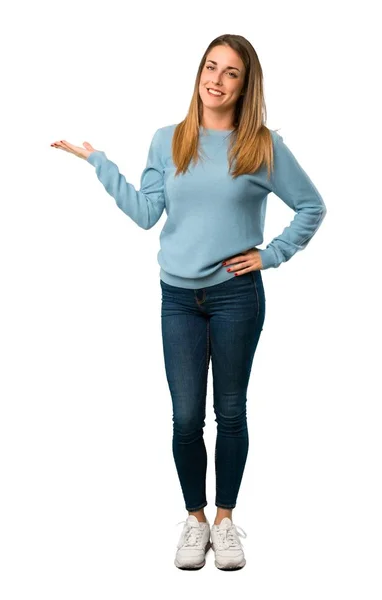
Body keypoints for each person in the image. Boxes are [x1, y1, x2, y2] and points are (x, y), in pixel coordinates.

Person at [50, 33, 327, 571]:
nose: (216, 80)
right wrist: (98, 161)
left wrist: (270, 257)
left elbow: (311, 207)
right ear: (199, 72)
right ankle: (194, 519)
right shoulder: (167, 139)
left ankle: (225, 522)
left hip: (235, 297)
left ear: (247, 86)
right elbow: (145, 213)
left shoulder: (262, 146)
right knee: (183, 418)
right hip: (176, 296)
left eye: (231, 73)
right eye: (211, 67)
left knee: (230, 413)